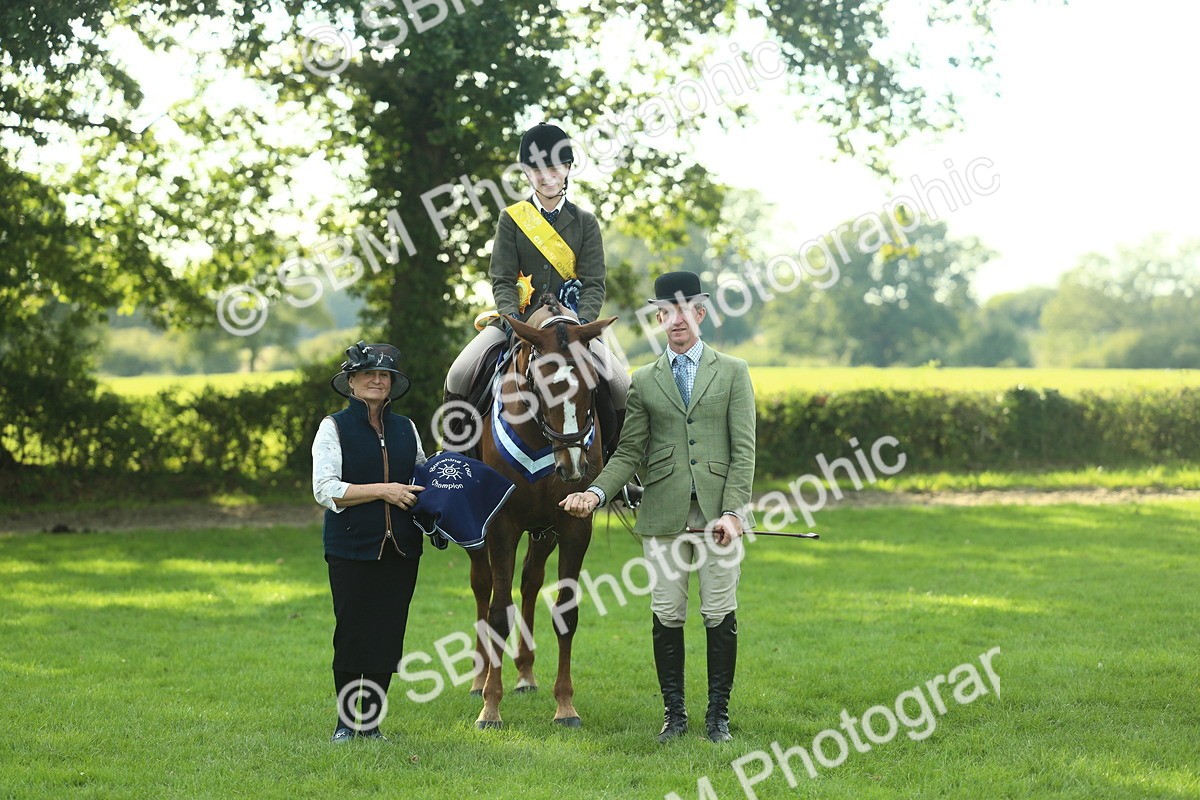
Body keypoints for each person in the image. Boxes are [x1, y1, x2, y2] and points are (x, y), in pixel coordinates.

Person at [560, 271, 756, 744]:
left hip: (718, 520)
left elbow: (744, 451)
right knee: (667, 612)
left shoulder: (733, 371)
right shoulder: (643, 381)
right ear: (659, 319)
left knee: (719, 611)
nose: (675, 320)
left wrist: (733, 512)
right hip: (662, 516)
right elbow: (628, 453)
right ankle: (675, 715)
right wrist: (596, 493)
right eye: (666, 313)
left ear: (701, 313)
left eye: (685, 310)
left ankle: (718, 717)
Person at [443, 121, 630, 454]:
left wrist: (580, 326)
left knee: (621, 384)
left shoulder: (585, 222)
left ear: (568, 169)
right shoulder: (512, 219)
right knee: (458, 374)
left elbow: (593, 284)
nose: (546, 176)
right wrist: (514, 321)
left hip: (572, 328)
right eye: (537, 169)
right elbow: (501, 278)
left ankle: (619, 469)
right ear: (527, 174)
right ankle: (457, 462)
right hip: (519, 324)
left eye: (554, 168)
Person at [312, 341, 428, 742]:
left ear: (393, 384)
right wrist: (384, 490)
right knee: (352, 634)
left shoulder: (406, 428)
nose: (377, 381)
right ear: (352, 382)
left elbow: (421, 481)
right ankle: (347, 722)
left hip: (403, 549)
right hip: (351, 547)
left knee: (388, 635)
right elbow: (326, 489)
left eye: (385, 376)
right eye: (368, 374)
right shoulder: (334, 426)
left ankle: (371, 723)